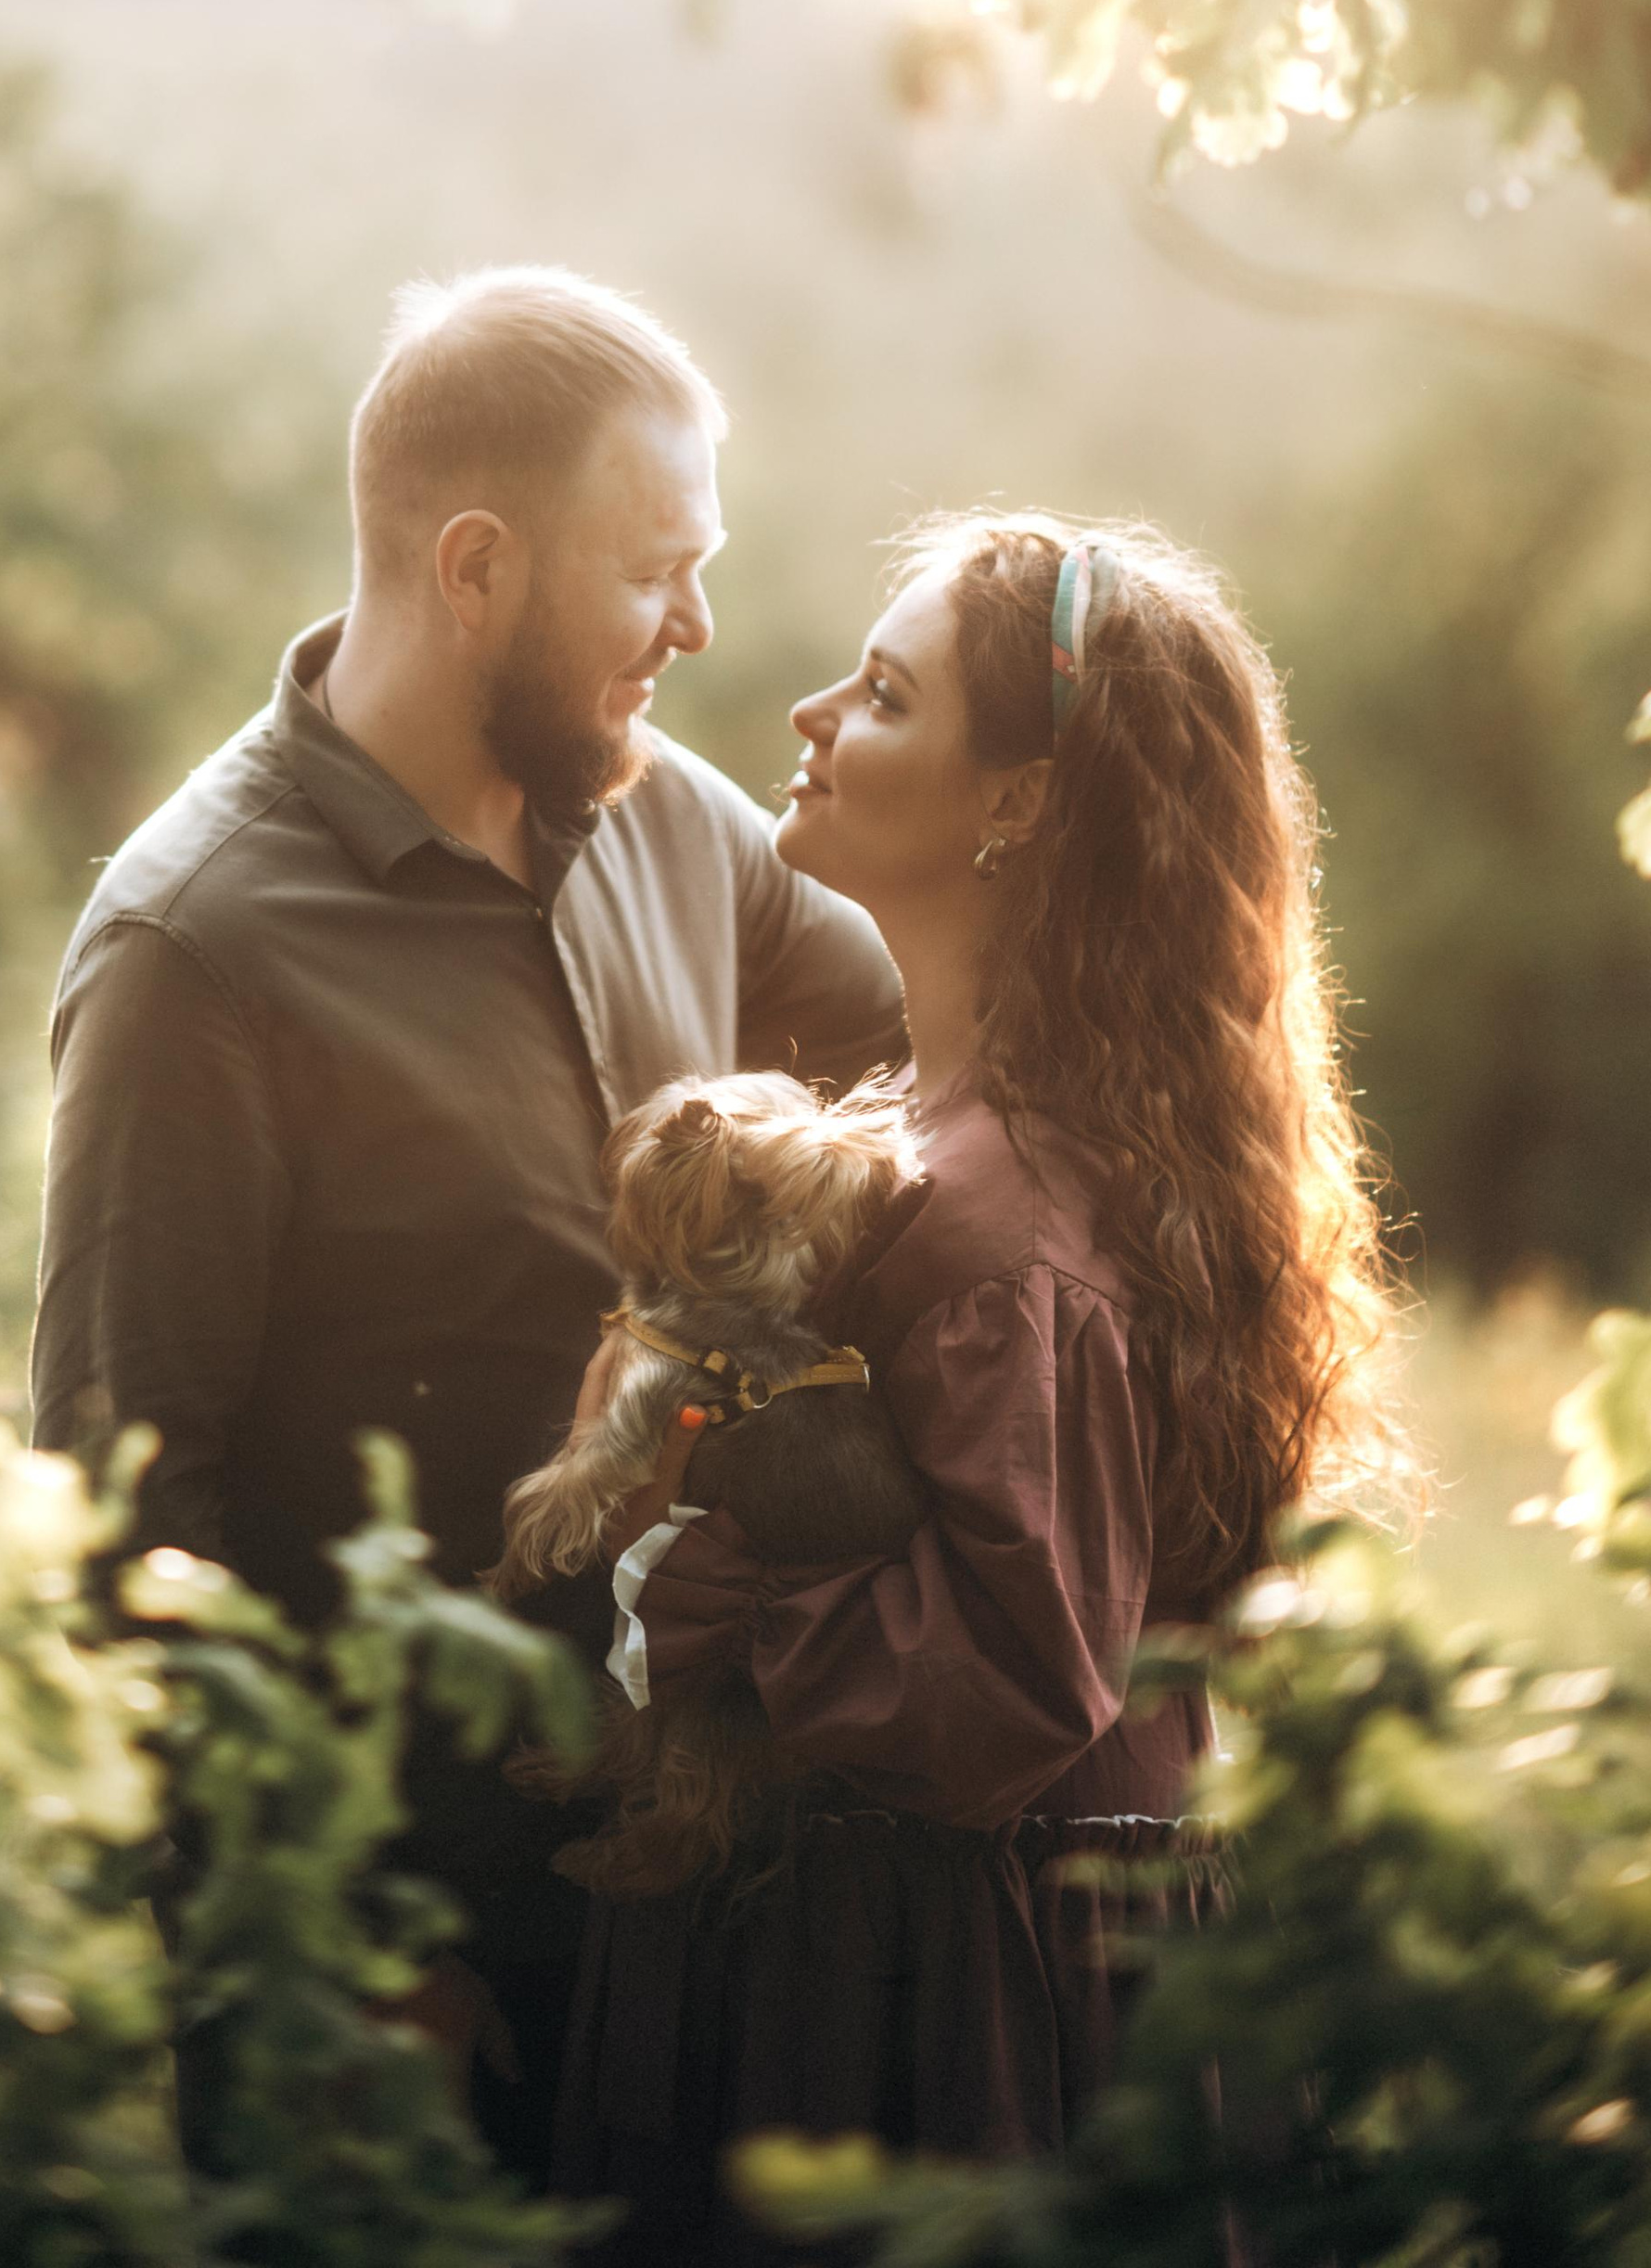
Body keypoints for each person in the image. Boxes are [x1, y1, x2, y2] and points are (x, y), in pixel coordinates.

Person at [29, 266, 905, 2179]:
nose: (696, 626)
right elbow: (124, 1528)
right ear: (479, 567)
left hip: (692, 1933)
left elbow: (954, 1054)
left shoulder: (680, 824)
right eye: (651, 570)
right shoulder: (197, 950)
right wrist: (335, 1971)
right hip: (392, 1981)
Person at [554, 511, 1410, 2261]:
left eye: (881, 696)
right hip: (972, 1955)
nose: (808, 711)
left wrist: (693, 1587)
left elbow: (1009, 1680)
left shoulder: (1006, 1223)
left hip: (947, 2005)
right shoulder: (994, 1151)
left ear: (1018, 800)